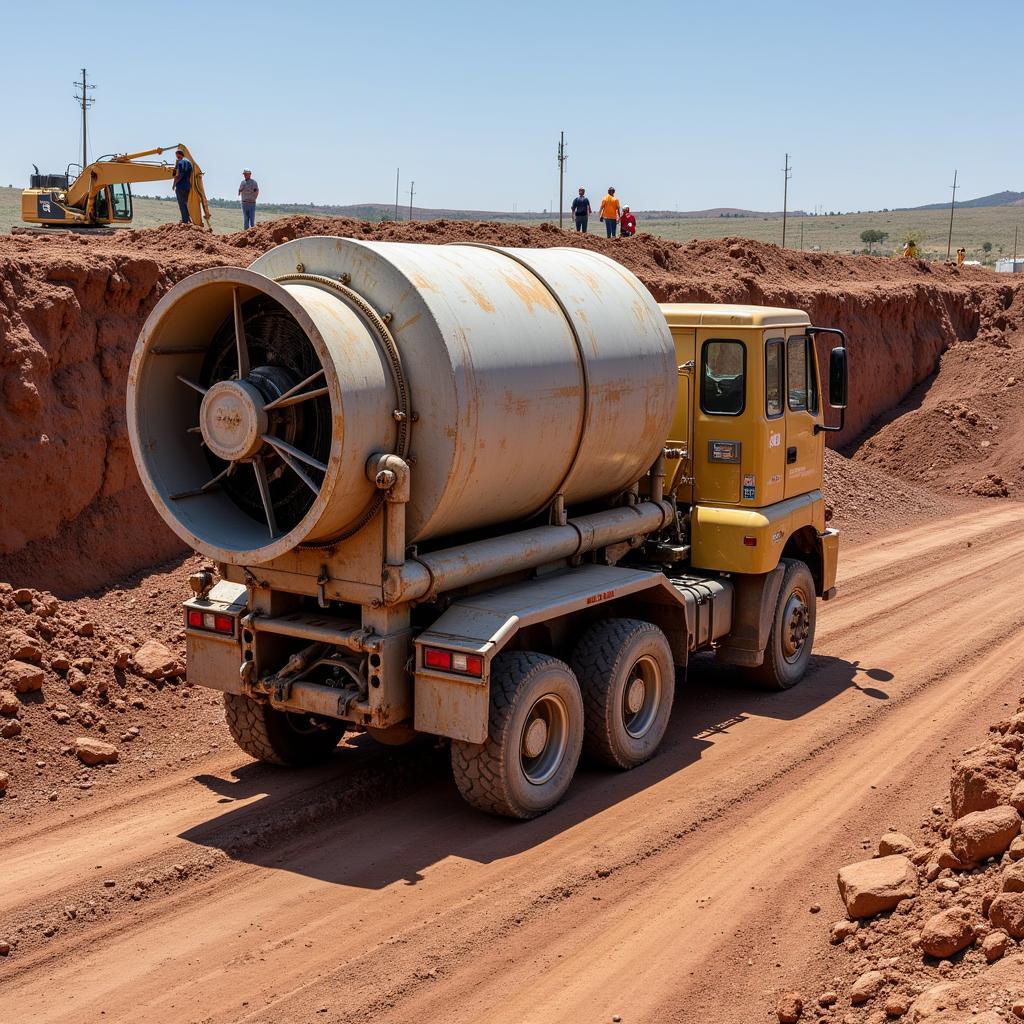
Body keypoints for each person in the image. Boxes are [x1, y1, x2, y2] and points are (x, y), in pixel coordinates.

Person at [171, 148, 193, 224]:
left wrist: (174, 184)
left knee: (181, 204)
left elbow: (179, 175)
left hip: (180, 186)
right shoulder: (189, 163)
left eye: (176, 155)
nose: (176, 156)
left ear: (178, 155)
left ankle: (185, 221)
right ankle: (188, 219)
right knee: (186, 203)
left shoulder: (180, 163)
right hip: (187, 186)